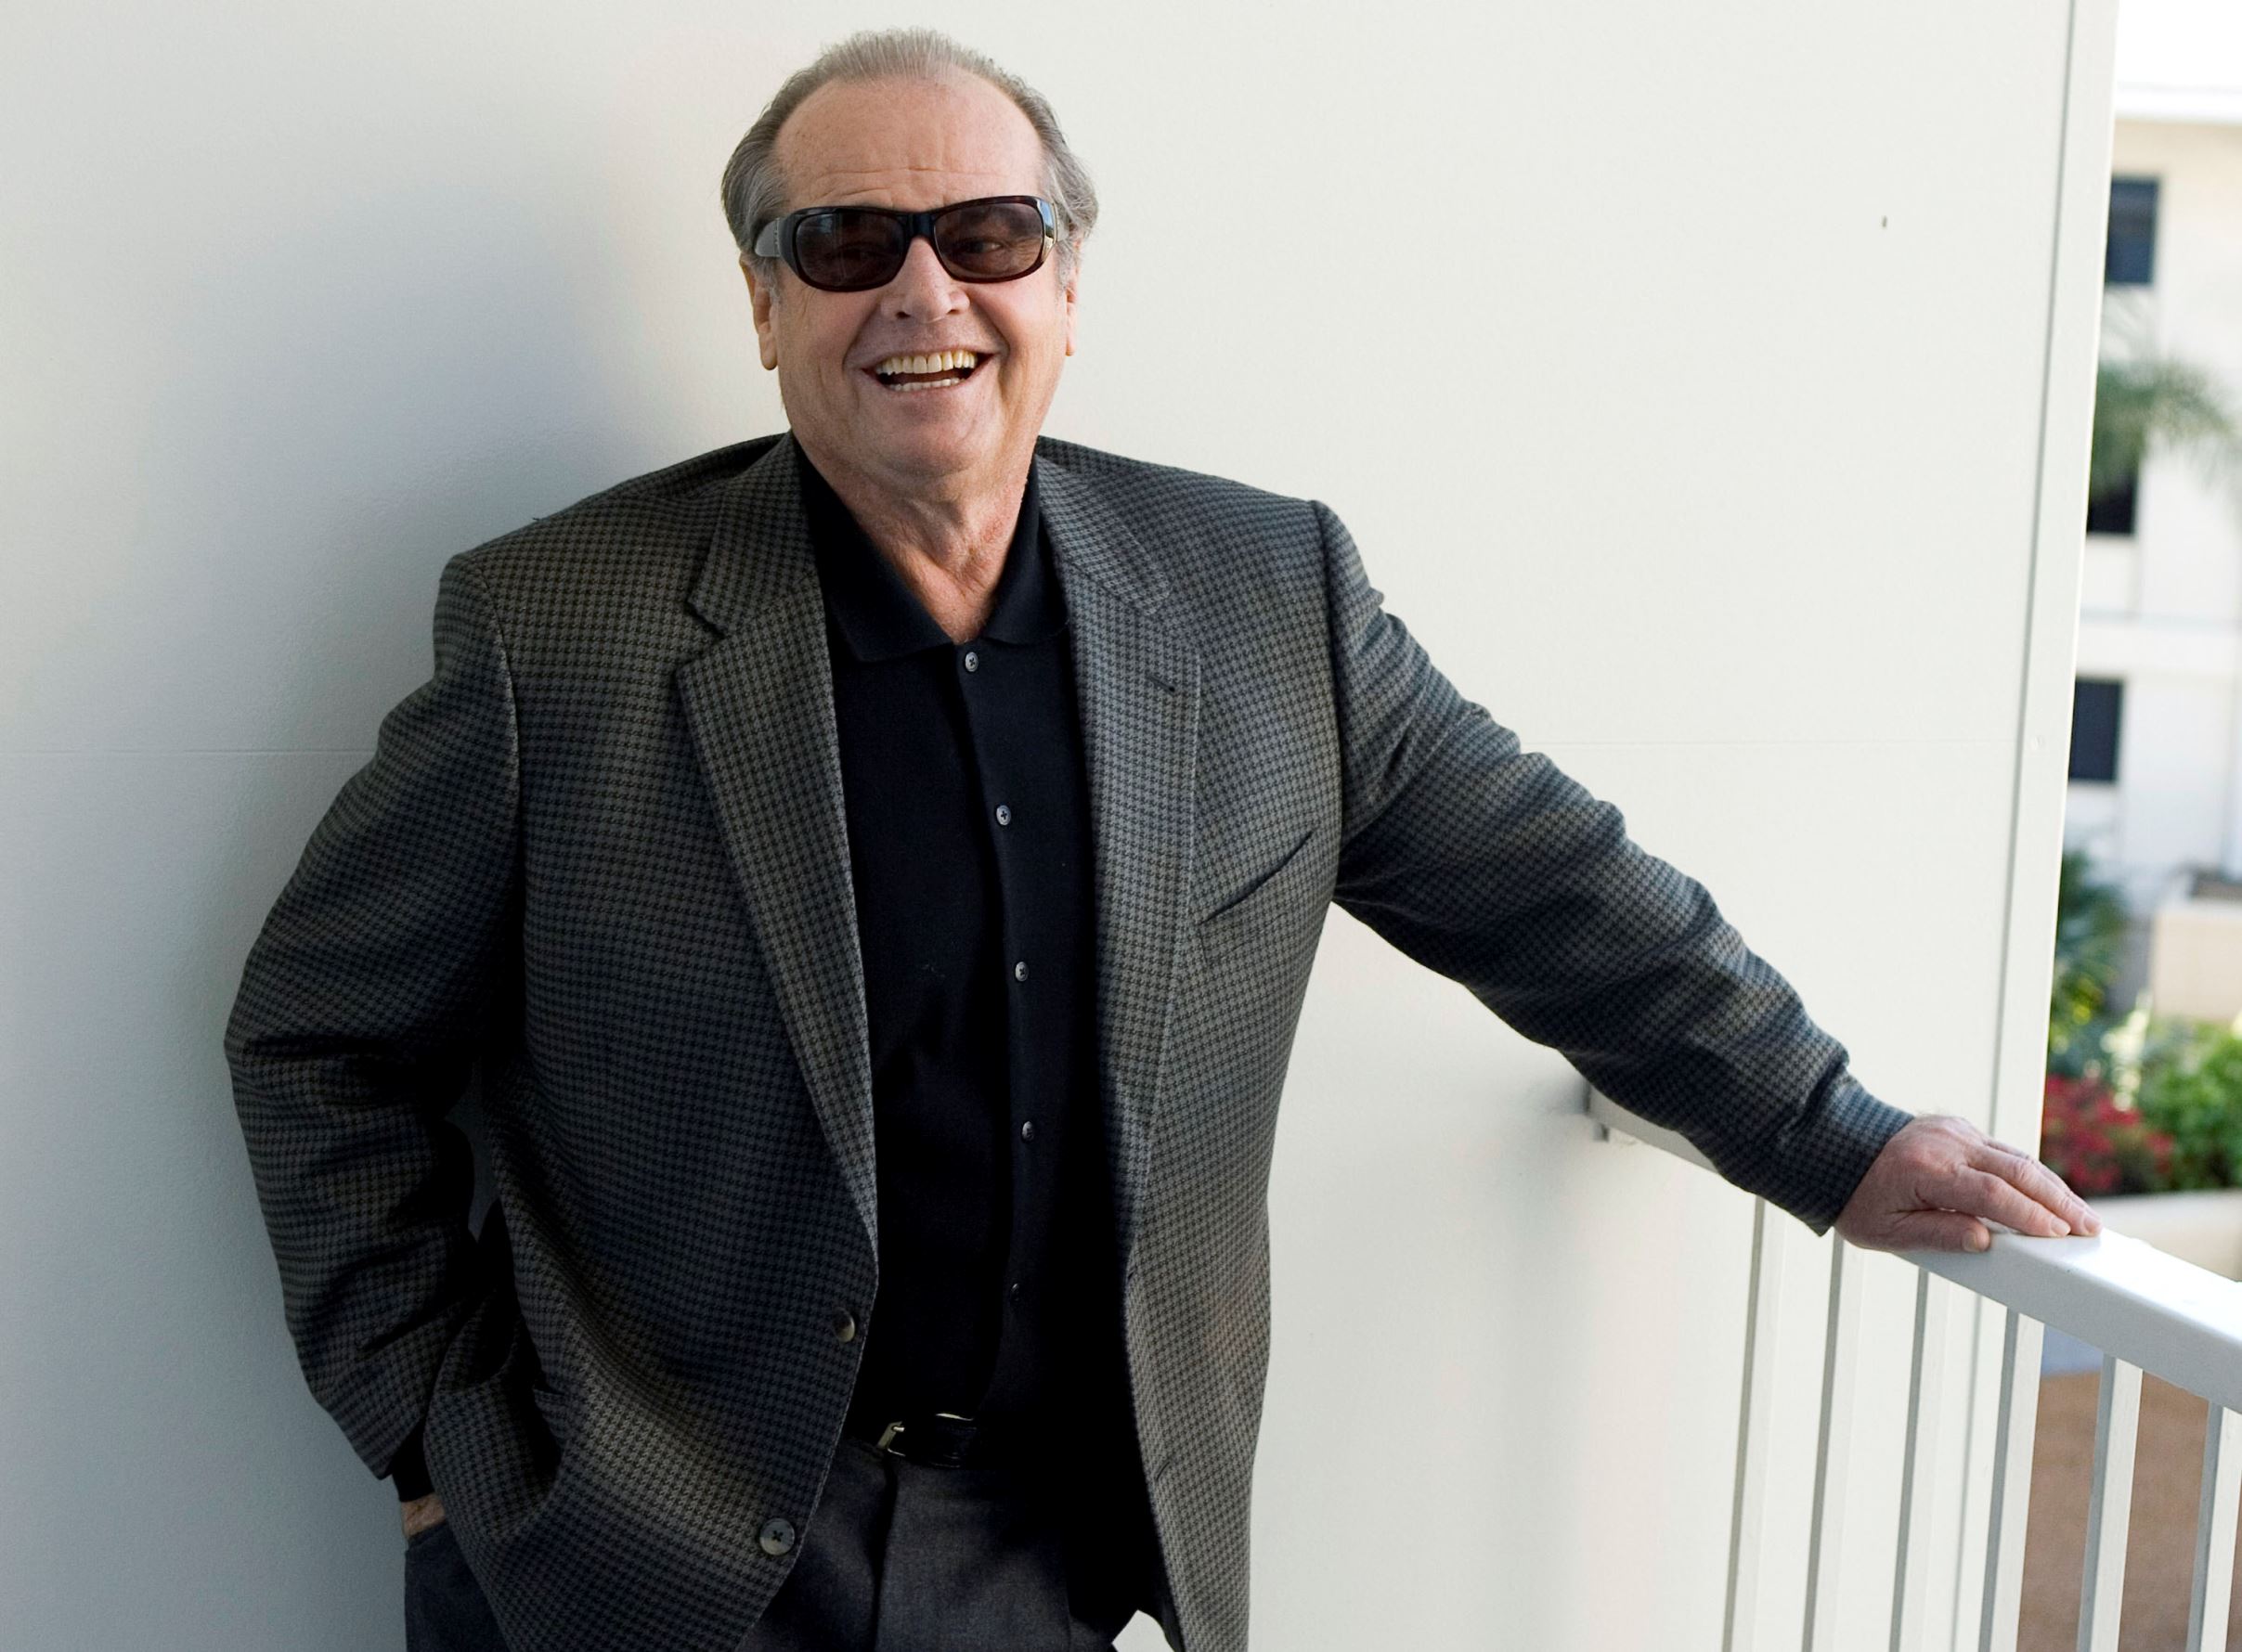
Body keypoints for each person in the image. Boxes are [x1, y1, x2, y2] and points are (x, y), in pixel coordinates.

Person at [223, 26, 2100, 1652]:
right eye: (848, 243)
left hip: (1049, 1552)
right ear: (765, 303)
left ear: (1063, 282)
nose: (924, 292)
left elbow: (1550, 893)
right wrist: (438, 1440)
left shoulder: (1265, 598)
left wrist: (1829, 1134)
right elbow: (322, 1031)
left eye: (987, 235)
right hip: (632, 1557)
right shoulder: (563, 629)